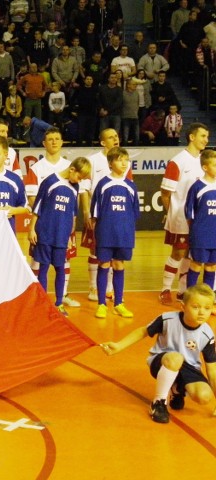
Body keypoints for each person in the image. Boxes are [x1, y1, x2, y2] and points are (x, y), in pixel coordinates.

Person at [100, 283, 216, 424]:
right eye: (196, 307)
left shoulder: (207, 334)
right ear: (183, 307)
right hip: (162, 361)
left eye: (207, 308)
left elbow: (212, 370)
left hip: (188, 366)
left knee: (204, 396)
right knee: (175, 358)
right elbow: (143, 331)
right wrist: (119, 345)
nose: (202, 312)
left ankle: (177, 390)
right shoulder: (167, 319)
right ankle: (159, 402)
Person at [25, 127, 80, 309]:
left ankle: (62, 296)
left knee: (64, 261)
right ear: (44, 143)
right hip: (45, 226)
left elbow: (74, 200)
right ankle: (38, 298)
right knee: (38, 261)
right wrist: (40, 222)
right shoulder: (36, 169)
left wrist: (71, 226)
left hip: (63, 225)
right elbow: (34, 198)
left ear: (62, 142)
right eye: (50, 139)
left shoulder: (71, 167)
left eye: (57, 138)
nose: (54, 142)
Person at [29, 156, 90, 316]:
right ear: (72, 169)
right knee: (43, 267)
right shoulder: (50, 181)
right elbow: (38, 206)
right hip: (45, 231)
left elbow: (72, 213)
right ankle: (43, 304)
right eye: (79, 176)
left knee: (60, 268)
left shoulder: (75, 187)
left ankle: (58, 303)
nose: (79, 180)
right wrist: (32, 229)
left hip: (62, 235)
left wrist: (70, 236)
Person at [79, 128, 132, 302]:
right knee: (96, 252)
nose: (115, 139)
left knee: (114, 256)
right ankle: (93, 287)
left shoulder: (125, 163)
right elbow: (84, 189)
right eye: (111, 137)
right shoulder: (93, 160)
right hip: (98, 214)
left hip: (116, 218)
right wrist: (87, 212)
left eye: (116, 136)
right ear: (102, 142)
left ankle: (110, 288)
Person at [160, 123, 210, 304]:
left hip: (199, 219)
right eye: (203, 136)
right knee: (178, 253)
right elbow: (165, 193)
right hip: (180, 217)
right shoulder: (178, 161)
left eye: (207, 136)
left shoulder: (203, 162)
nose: (206, 139)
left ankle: (182, 291)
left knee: (191, 254)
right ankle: (165, 289)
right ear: (191, 137)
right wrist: (172, 213)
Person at [90, 147, 140, 319]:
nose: (124, 163)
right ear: (110, 163)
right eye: (120, 160)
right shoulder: (103, 184)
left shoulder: (131, 185)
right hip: (105, 233)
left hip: (124, 234)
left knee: (119, 265)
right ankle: (101, 304)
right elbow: (95, 211)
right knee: (103, 265)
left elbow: (135, 212)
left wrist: (126, 229)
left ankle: (119, 303)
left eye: (126, 160)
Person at [185, 149, 216, 289]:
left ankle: (207, 299)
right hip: (201, 236)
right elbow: (189, 213)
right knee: (196, 264)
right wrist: (194, 233)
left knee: (211, 266)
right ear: (205, 167)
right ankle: (189, 296)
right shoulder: (197, 187)